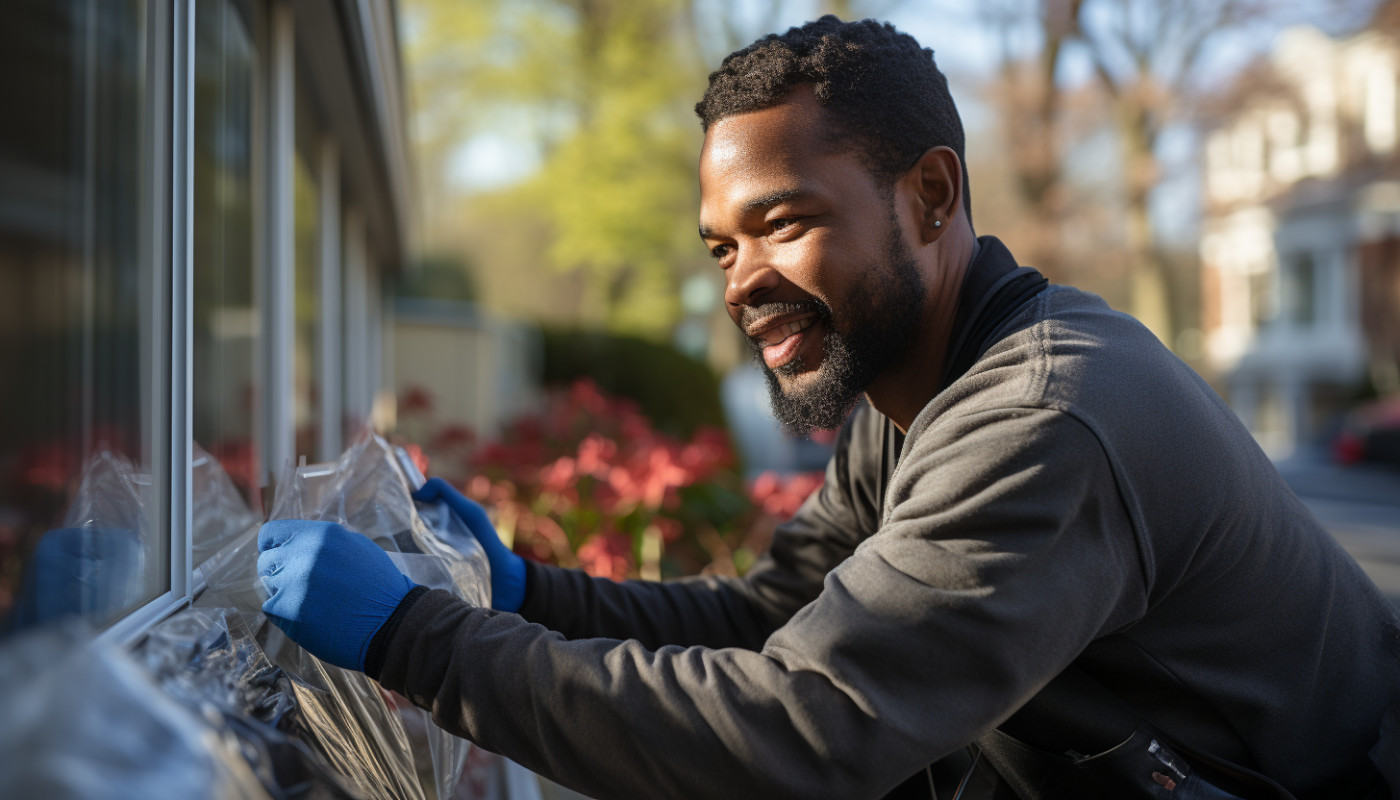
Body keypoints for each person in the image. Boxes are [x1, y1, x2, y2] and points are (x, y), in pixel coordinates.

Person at [256, 17, 1400, 799]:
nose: (740, 282)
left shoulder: (1040, 418)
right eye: (721, 246)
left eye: (783, 221)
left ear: (930, 193)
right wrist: (522, 590)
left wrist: (412, 636)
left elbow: (803, 730)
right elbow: (779, 614)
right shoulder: (909, 389)